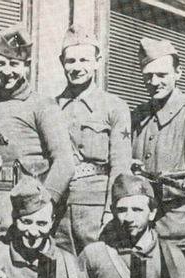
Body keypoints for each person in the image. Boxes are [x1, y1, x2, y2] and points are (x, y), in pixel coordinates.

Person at [0, 25, 74, 231]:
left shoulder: (42, 106)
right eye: (0, 63)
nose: (7, 71)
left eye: (14, 64)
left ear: (27, 66)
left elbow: (64, 162)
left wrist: (43, 206)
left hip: (25, 214)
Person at [130, 38, 185, 251]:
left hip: (177, 231)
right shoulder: (138, 115)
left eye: (162, 75)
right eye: (148, 76)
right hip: (139, 230)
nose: (154, 82)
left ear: (178, 73)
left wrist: (161, 188)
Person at [53, 25, 131, 255]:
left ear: (98, 62)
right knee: (59, 269)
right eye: (71, 61)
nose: (77, 67)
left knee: (98, 267)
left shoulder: (115, 107)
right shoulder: (51, 107)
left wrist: (110, 211)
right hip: (59, 211)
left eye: (84, 60)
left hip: (96, 210)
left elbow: (120, 167)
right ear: (62, 63)